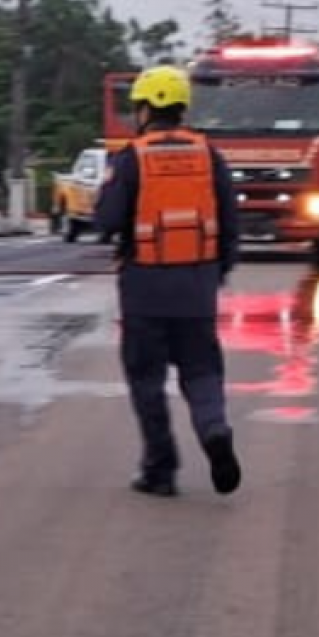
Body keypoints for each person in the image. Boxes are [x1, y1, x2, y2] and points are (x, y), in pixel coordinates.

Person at [91, 63, 243, 498]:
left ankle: (160, 470)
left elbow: (106, 221)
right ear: (181, 108)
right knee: (201, 372)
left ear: (145, 108)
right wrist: (218, 271)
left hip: (145, 291)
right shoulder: (209, 155)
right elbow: (230, 223)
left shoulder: (132, 158)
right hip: (196, 288)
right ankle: (214, 430)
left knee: (147, 381)